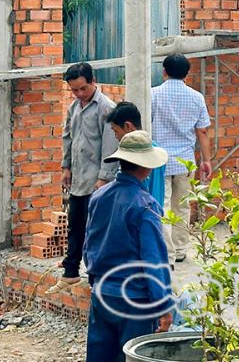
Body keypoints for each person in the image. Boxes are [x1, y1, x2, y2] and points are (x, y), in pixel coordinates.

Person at [85, 130, 173, 362]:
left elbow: (89, 244)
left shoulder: (99, 196)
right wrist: (163, 305)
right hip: (134, 301)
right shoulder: (146, 206)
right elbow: (154, 261)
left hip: (102, 293)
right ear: (147, 168)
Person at [48, 62, 118, 294]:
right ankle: (70, 273)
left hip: (97, 182)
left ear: (93, 82)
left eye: (82, 89)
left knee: (96, 231)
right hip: (78, 179)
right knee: (74, 227)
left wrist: (104, 180)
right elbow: (68, 137)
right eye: (74, 90)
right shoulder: (74, 108)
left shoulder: (106, 108)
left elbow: (110, 146)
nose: (79, 94)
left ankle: (97, 276)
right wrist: (65, 167)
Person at [151, 53, 213, 263]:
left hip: (159, 161)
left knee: (163, 206)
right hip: (185, 161)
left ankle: (165, 253)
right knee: (183, 206)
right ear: (187, 73)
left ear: (164, 72)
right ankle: (179, 250)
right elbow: (202, 132)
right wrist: (206, 160)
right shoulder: (197, 97)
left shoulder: (153, 95)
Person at [107, 101, 166, 209]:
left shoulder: (135, 157)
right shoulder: (156, 150)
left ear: (128, 126)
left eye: (116, 131)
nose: (116, 136)